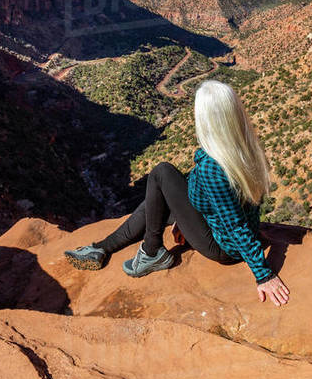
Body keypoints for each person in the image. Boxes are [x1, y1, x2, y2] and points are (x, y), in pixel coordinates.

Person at [64, 79, 291, 306]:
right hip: (217, 220)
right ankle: (101, 248)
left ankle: (152, 253)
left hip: (222, 246)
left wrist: (264, 275)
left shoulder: (212, 167)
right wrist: (184, 218)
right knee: (159, 196)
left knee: (161, 173)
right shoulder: (243, 144)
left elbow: (235, 226)